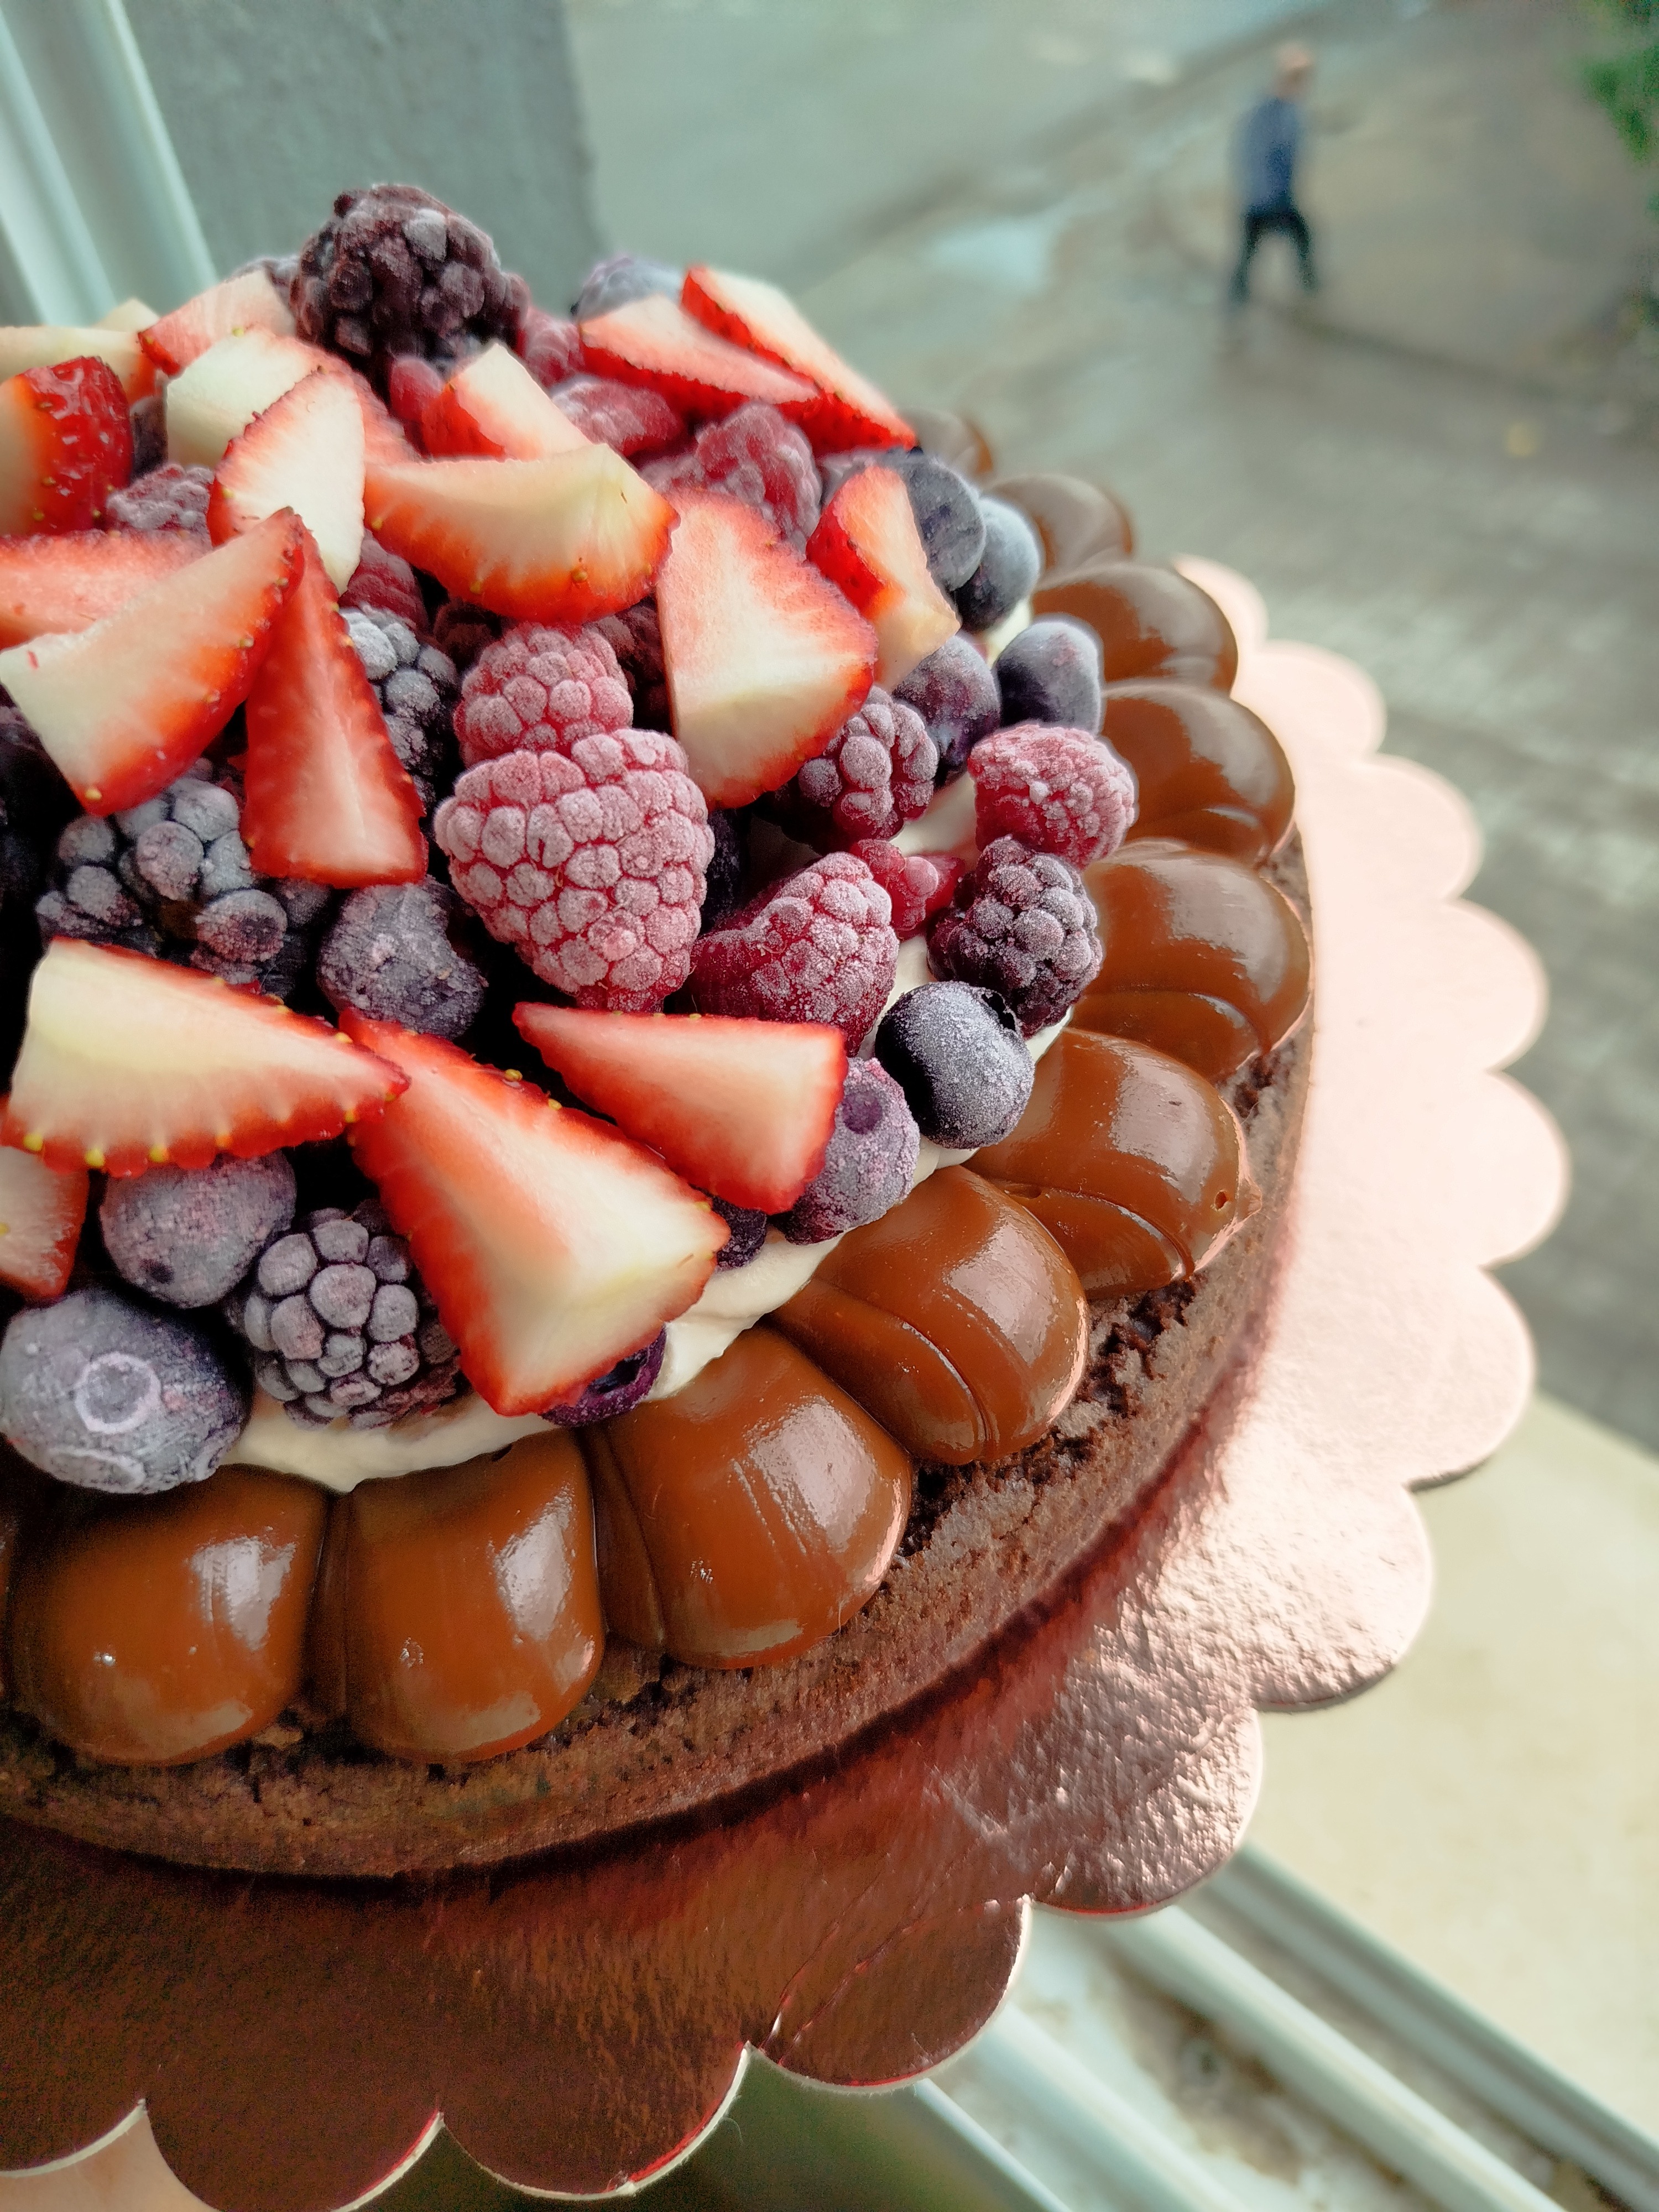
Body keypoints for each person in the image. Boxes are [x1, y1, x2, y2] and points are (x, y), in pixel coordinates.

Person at [1228, 44, 1318, 309]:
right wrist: (1279, 195)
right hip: (1272, 198)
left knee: (1249, 254)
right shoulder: (1284, 113)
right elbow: (1280, 157)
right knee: (1300, 236)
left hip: (1257, 197)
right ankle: (1309, 286)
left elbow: (1247, 152)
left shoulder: (1263, 106)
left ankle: (1234, 310)